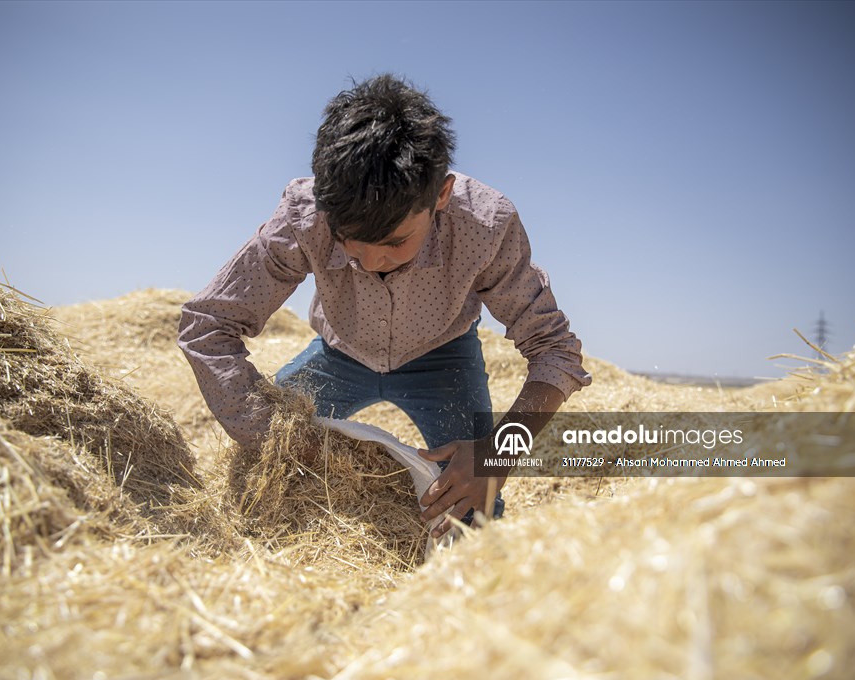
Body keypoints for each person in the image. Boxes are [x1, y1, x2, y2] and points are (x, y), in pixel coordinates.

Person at [178, 74, 591, 539]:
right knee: (259, 471)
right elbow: (207, 325)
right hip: (339, 354)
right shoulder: (304, 217)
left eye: (396, 241)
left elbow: (556, 353)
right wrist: (272, 432)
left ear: (441, 195)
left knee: (477, 511)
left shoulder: (485, 226)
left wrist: (497, 453)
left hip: (444, 360)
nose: (373, 262)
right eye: (349, 242)